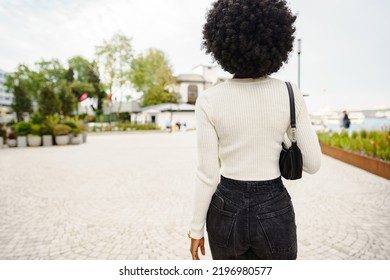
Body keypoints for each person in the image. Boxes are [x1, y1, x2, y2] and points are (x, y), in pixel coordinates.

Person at [189, 0, 322, 260]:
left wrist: (196, 229)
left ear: (220, 42)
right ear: (277, 39)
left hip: (225, 208)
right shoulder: (289, 92)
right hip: (274, 206)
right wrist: (277, 130)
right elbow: (313, 163)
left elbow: (207, 175)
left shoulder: (209, 99)